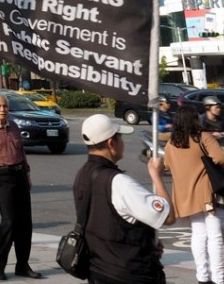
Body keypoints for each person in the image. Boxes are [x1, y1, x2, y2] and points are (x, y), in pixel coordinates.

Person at [76, 113, 175, 284]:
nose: (122, 143)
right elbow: (168, 216)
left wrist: (147, 240)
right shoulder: (119, 183)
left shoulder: (82, 174)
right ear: (111, 143)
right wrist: (157, 177)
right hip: (129, 273)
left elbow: (107, 221)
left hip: (99, 269)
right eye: (120, 137)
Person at [0, 92, 40, 280]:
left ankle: (22, 265)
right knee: (9, 222)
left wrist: (27, 173)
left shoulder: (13, 126)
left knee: (25, 223)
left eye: (5, 106)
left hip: (20, 174)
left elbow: (21, 151)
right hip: (2, 176)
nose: (3, 109)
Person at [165, 106, 224, 284]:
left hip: (184, 196)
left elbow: (167, 165)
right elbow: (221, 158)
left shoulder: (171, 143)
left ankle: (202, 276)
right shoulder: (203, 137)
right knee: (215, 235)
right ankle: (219, 278)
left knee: (198, 234)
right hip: (206, 193)